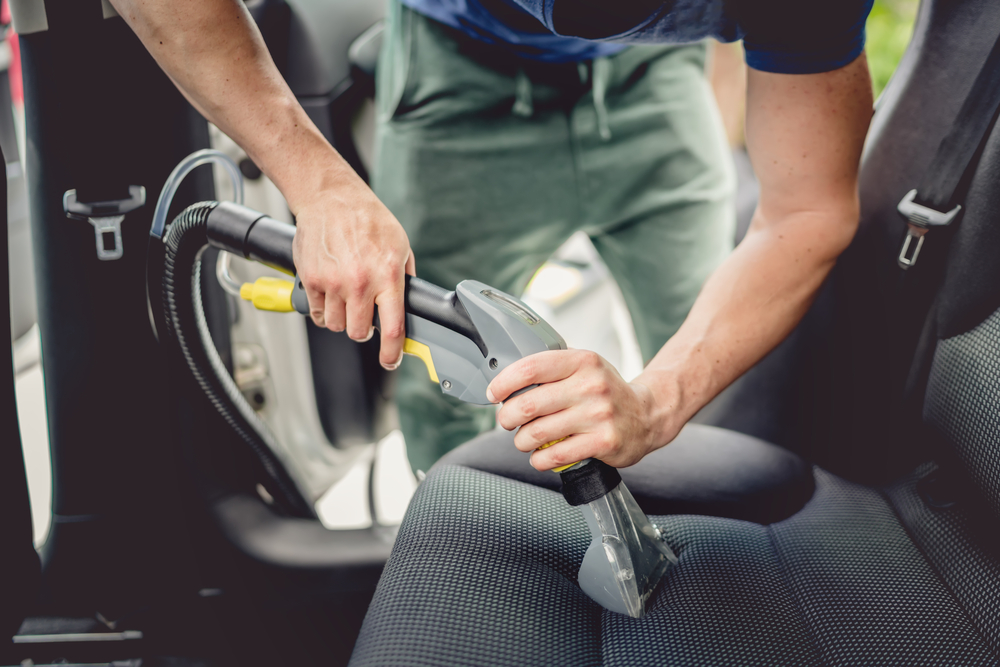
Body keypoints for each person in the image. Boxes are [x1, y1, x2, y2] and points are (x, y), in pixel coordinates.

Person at [111, 0, 873, 474]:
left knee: (723, 375)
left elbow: (807, 213)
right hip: (458, 74)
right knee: (449, 381)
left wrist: (656, 401)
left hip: (652, 79)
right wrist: (318, 182)